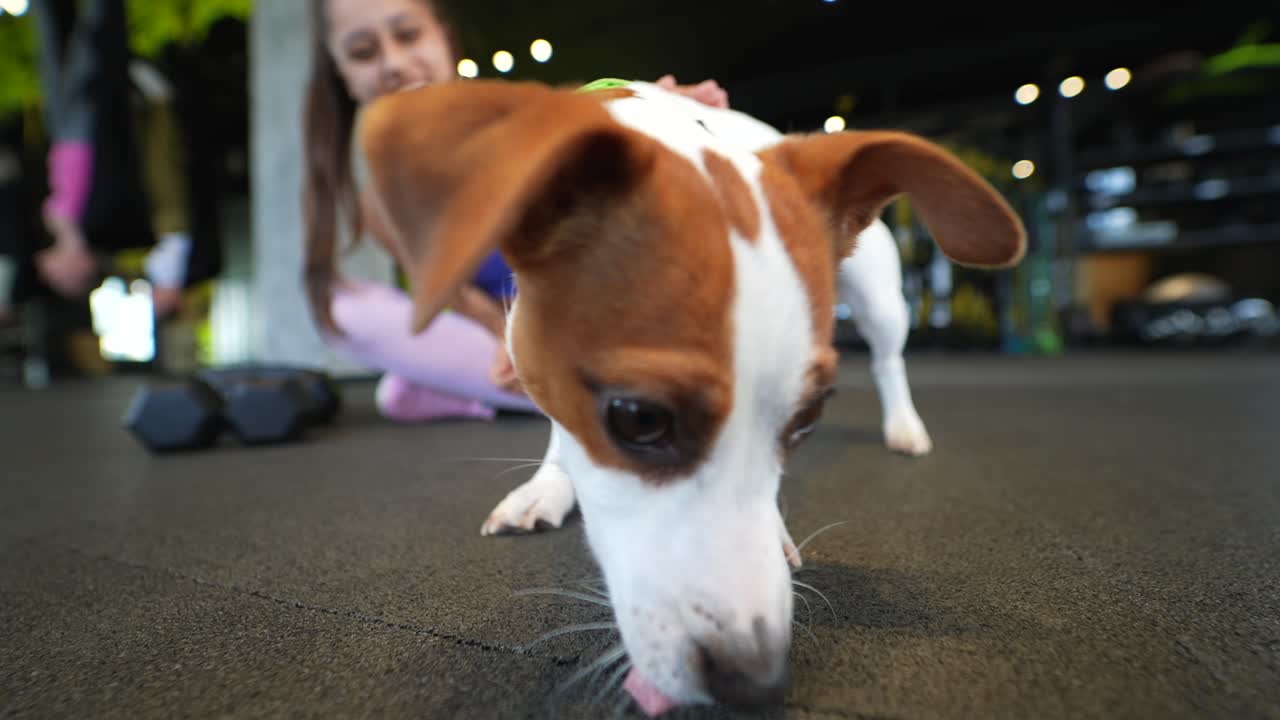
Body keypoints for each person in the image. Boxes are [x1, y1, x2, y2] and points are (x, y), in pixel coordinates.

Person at [303, 0, 730, 422]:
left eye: (409, 35)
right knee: (346, 310)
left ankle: (478, 389)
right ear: (340, 71)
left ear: (443, 36)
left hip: (593, 309)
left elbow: (589, 110)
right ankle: (594, 391)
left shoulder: (517, 121)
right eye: (363, 53)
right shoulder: (381, 204)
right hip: (529, 333)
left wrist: (651, 105)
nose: (393, 63)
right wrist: (511, 337)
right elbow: (466, 302)